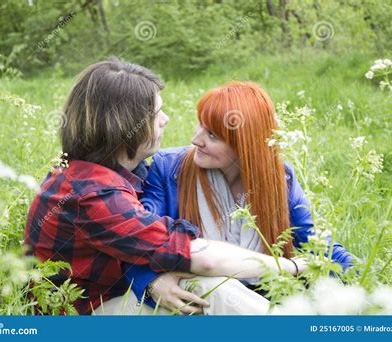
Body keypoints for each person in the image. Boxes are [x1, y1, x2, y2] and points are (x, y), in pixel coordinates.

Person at [24, 60, 305, 315]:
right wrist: (291, 267)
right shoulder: (94, 193)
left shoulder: (119, 174)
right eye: (156, 112)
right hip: (80, 317)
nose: (165, 119)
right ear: (125, 125)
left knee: (201, 288)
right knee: (209, 288)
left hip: (113, 304)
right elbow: (201, 258)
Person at [121, 81, 353, 315]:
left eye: (211, 135)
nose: (196, 140)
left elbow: (316, 244)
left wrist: (368, 278)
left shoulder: (281, 178)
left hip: (266, 298)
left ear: (244, 145)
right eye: (199, 125)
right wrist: (150, 282)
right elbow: (136, 240)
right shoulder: (168, 168)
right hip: (197, 301)